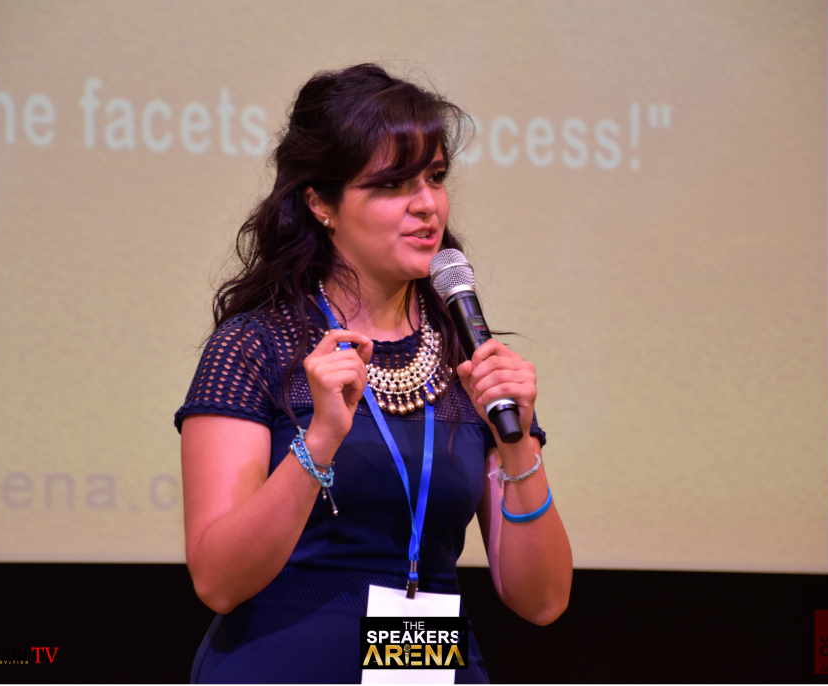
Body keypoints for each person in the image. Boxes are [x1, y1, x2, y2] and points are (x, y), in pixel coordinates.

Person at [175, 63, 572, 684]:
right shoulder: (255, 347)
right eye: (391, 185)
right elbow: (218, 581)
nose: (426, 205)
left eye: (435, 177)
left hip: (428, 660)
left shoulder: (468, 360)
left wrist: (518, 444)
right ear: (321, 204)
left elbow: (541, 600)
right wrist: (319, 440)